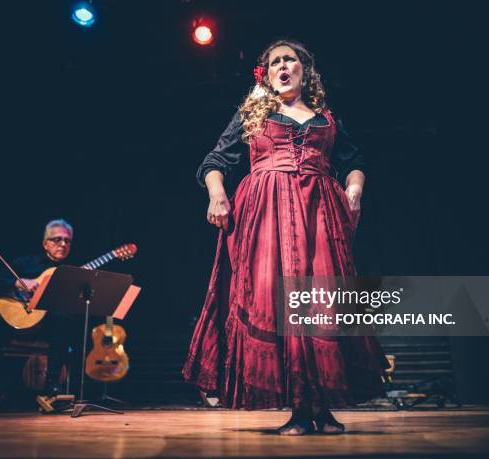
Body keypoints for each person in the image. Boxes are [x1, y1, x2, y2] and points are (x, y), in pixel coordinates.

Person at [183, 39, 389, 435]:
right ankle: (298, 408)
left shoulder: (326, 118)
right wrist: (217, 194)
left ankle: (323, 408)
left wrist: (355, 191)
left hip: (319, 214)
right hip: (266, 213)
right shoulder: (253, 115)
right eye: (275, 61)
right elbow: (214, 162)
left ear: (303, 69)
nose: (282, 66)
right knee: (275, 299)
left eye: (289, 60)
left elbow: (355, 161)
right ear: (266, 73)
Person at [0, 219, 77, 412]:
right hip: (14, 323)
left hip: (47, 327)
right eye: (57, 239)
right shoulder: (24, 263)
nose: (62, 244)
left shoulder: (71, 272)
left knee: (64, 318)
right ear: (45, 243)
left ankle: (52, 389)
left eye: (67, 241)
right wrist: (17, 283)